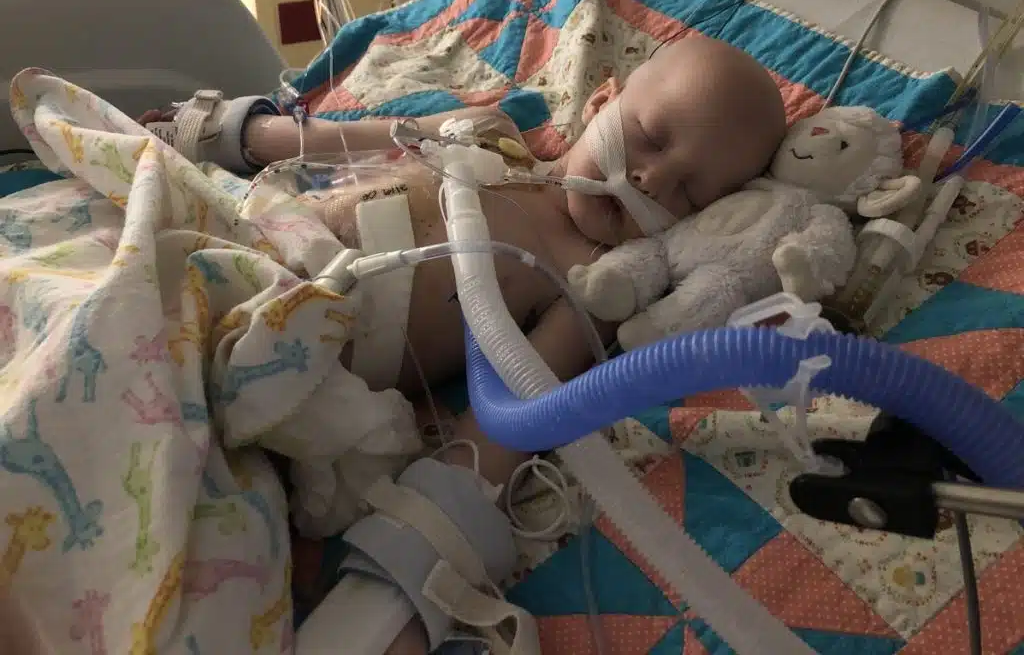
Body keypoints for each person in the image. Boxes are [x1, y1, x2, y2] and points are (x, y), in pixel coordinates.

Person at [142, 32, 787, 654]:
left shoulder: (589, 286)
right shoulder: (487, 134)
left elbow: (505, 424)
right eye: (651, 137)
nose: (650, 179)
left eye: (688, 193)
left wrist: (406, 566)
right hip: (241, 243)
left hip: (282, 361)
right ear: (600, 101)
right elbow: (326, 142)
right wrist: (228, 132)